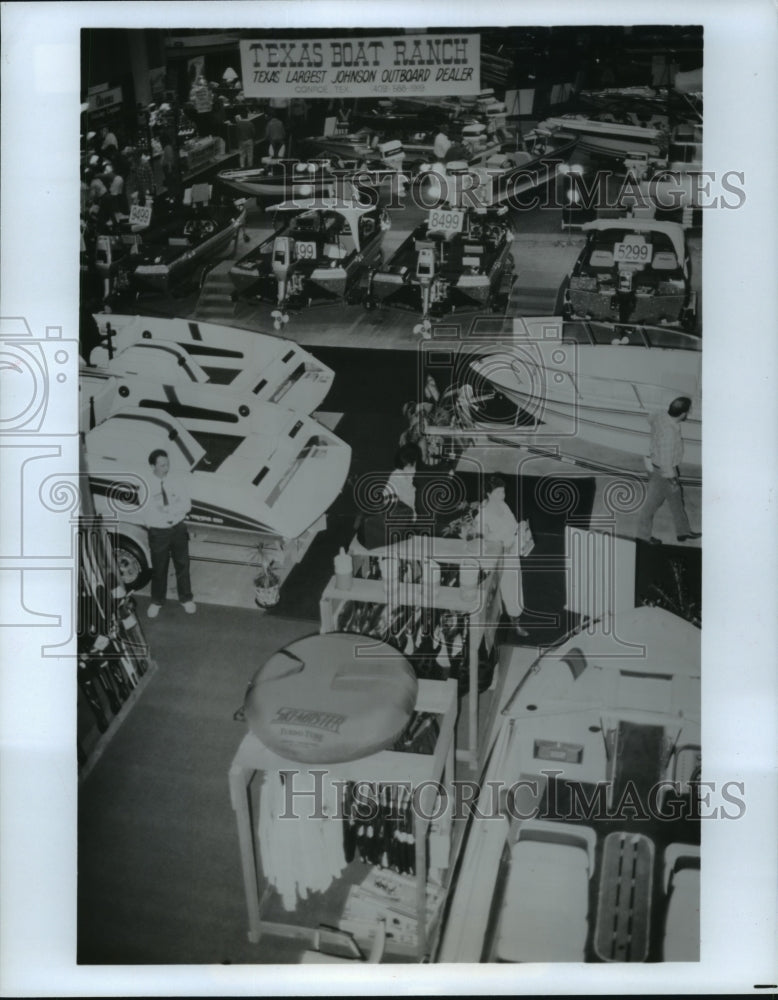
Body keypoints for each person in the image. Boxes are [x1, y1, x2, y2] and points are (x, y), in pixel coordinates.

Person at [636, 396, 701, 545]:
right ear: (683, 414)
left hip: (660, 467)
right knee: (649, 508)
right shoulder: (669, 434)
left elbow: (649, 418)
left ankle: (683, 532)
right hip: (663, 474)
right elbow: (666, 463)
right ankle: (642, 538)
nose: (690, 412)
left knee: (677, 502)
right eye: (689, 410)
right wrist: (672, 481)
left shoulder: (660, 415)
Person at [472, 475, 531, 637]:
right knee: (501, 594)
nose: (502, 496)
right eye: (498, 492)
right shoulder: (483, 516)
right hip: (498, 560)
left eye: (503, 492)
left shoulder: (503, 505)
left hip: (512, 555)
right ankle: (494, 629)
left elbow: (512, 525)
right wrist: (502, 547)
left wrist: (521, 527)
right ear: (489, 494)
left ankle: (515, 621)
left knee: (514, 589)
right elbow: (481, 541)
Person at [144, 449, 196, 618]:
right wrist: (163, 515)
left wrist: (173, 512)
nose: (166, 468)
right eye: (162, 465)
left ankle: (186, 599)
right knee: (159, 568)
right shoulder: (146, 485)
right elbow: (146, 511)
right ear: (153, 466)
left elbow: (186, 504)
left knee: (183, 564)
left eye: (167, 464)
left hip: (178, 528)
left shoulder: (176, 481)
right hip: (158, 532)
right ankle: (157, 601)